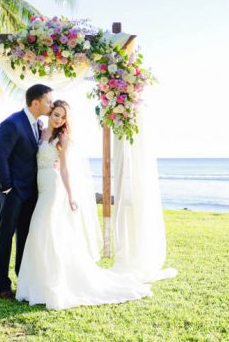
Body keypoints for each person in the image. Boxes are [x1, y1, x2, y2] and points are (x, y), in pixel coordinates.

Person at [15, 100, 152, 310]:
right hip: (40, 186)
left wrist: (70, 195)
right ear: (50, 113)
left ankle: (53, 283)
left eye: (62, 116)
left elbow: (66, 170)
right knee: (40, 231)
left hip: (53, 187)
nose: (58, 119)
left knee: (44, 228)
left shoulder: (63, 138)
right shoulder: (40, 131)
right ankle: (36, 283)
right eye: (56, 114)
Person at [0, 84, 53, 299]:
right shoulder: (12, 124)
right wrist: (8, 187)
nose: (51, 104)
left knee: (25, 238)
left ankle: (22, 278)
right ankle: (2, 285)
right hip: (13, 192)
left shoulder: (39, 124)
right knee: (5, 238)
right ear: (35, 102)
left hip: (31, 192)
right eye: (48, 101)